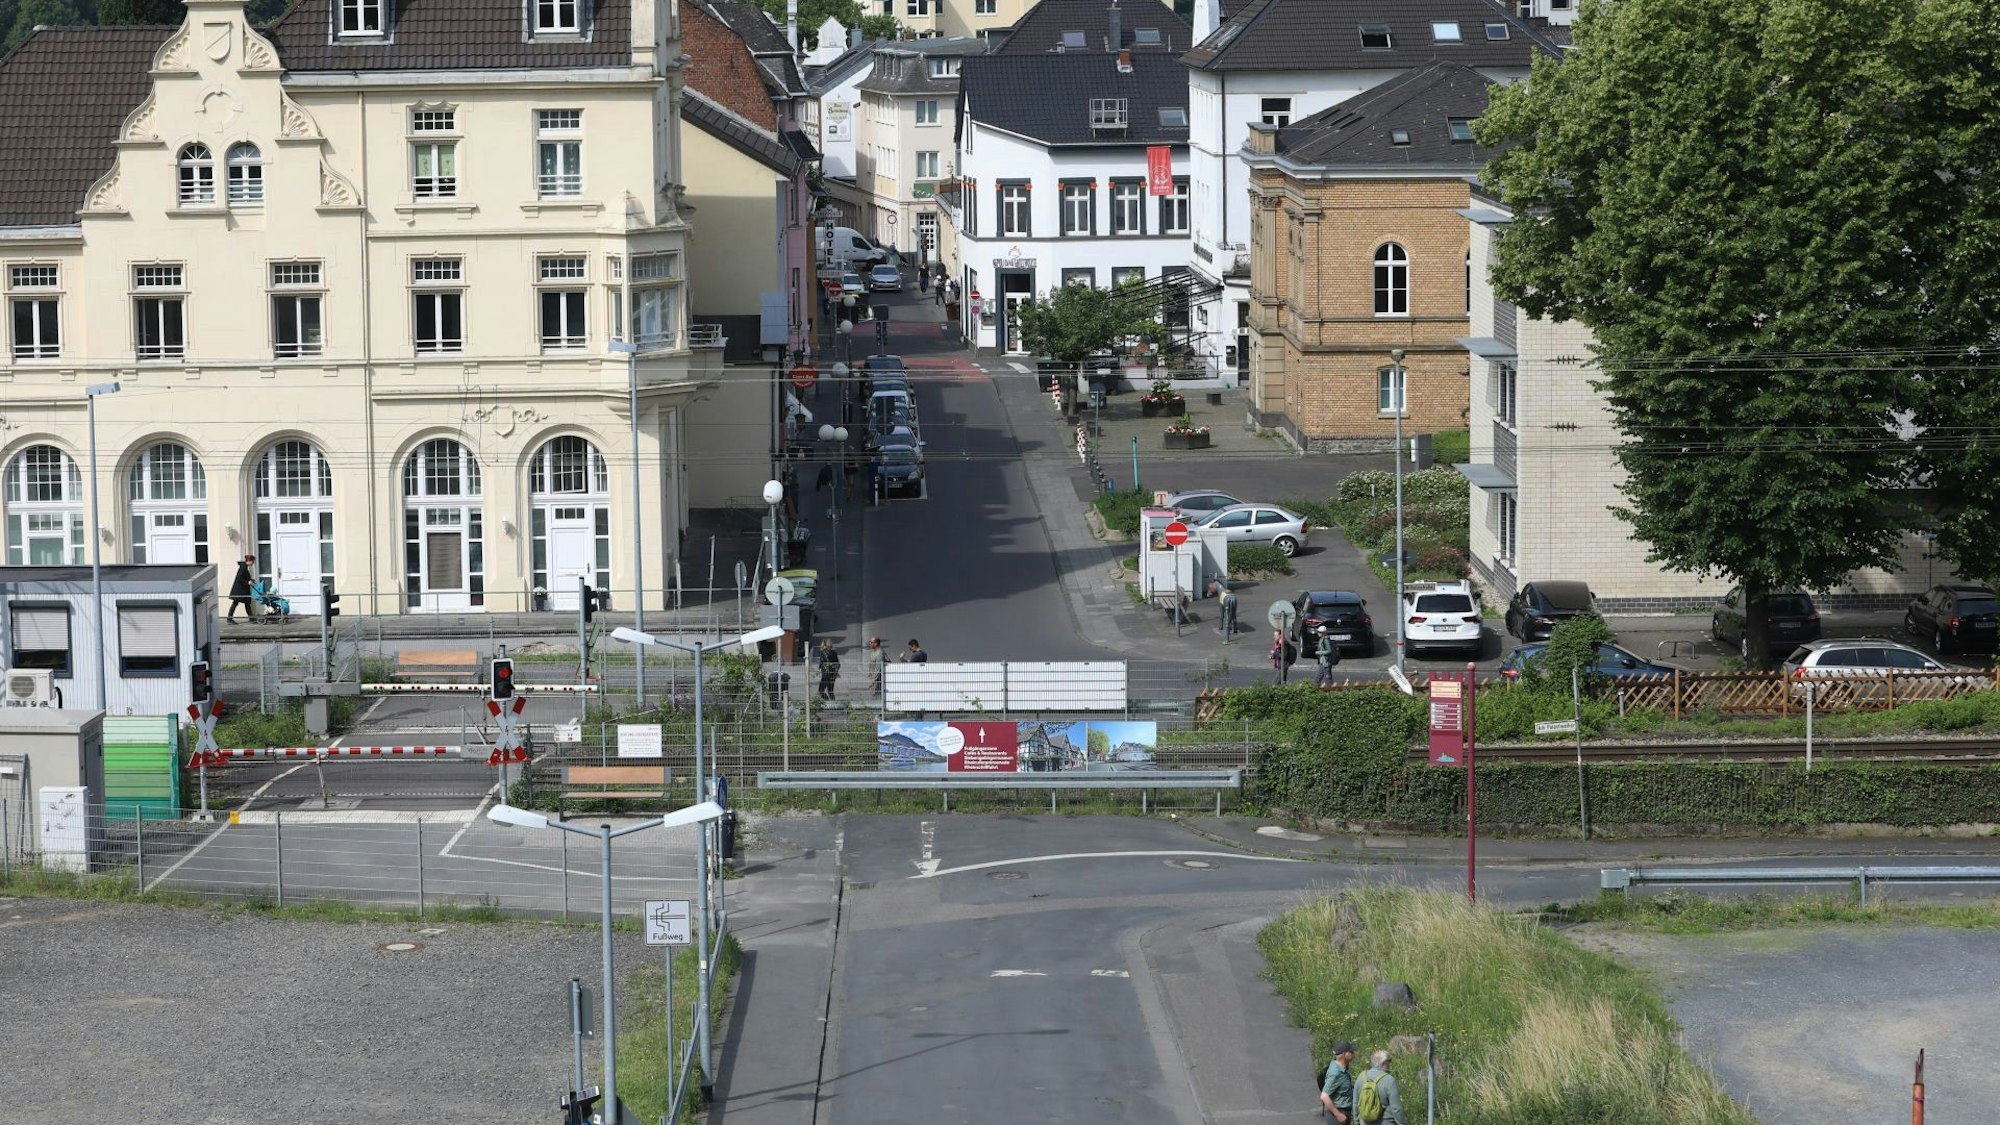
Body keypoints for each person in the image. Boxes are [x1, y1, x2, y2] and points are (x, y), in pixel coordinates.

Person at [1356, 1050, 1404, 1125]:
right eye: (1389, 1061)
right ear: (1384, 1063)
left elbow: (1356, 1102)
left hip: (1364, 1122)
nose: (1390, 1064)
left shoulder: (1361, 1076)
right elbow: (1396, 1108)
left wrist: (1356, 1120)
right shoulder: (1389, 1080)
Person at [1319, 1041, 1357, 1123]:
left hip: (1344, 1112)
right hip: (1338, 1115)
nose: (1354, 1053)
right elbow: (1324, 1096)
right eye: (1351, 1052)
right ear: (1344, 1054)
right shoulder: (1336, 1073)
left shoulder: (1341, 1066)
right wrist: (1338, 1114)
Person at [227, 554, 257, 622]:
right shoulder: (243, 568)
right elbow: (239, 578)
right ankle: (229, 618)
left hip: (242, 589)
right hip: (239, 590)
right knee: (236, 603)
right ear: (249, 561)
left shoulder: (244, 567)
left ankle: (251, 618)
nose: (253, 563)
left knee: (247, 603)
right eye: (253, 561)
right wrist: (247, 582)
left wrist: (251, 580)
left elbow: (244, 577)